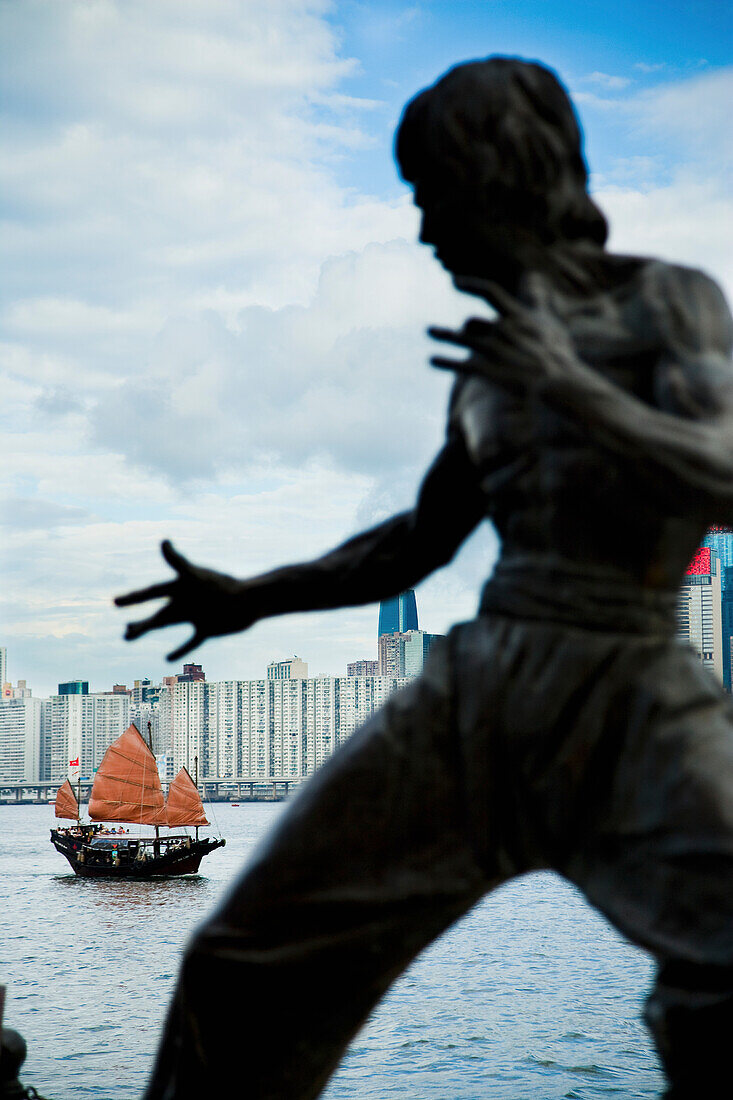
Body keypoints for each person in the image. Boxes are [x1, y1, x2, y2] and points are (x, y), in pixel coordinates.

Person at [116, 57, 733, 1099]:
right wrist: (247, 595)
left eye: (429, 195)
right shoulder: (491, 362)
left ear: (501, 177)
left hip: (632, 684)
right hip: (479, 685)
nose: (422, 232)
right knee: (244, 960)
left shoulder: (664, 301)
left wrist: (571, 386)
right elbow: (413, 542)